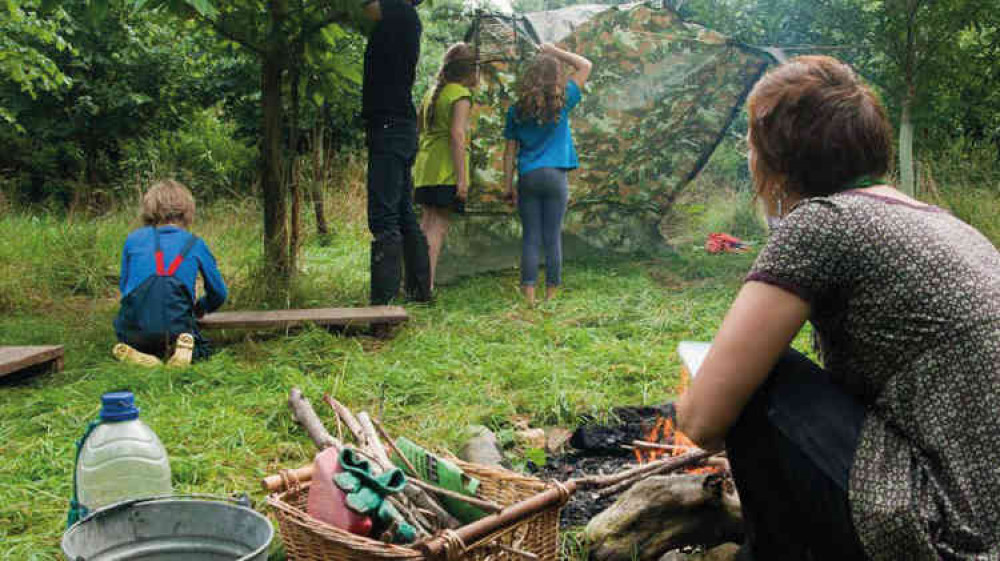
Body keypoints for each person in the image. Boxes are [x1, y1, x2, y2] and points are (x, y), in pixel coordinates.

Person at [674, 56, 1000, 560]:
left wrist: (694, 395)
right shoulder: (946, 223)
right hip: (981, 518)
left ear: (776, 160)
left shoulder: (823, 223)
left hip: (949, 536)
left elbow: (703, 422)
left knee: (766, 376)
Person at [503, 43, 591, 305]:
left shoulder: (515, 110)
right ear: (556, 76)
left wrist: (507, 186)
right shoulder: (562, 102)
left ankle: (529, 297)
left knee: (531, 236)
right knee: (552, 237)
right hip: (556, 176)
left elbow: (509, 153)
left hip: (529, 176)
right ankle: (551, 296)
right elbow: (585, 65)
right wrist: (555, 51)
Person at [361, 0, 432, 304]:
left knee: (384, 218)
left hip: (390, 126)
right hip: (397, 125)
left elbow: (368, 8)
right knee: (402, 213)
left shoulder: (400, 12)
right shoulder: (406, 18)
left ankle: (383, 307)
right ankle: (419, 292)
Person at [113, 180, 227, 367]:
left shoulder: (133, 240)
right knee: (199, 345)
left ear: (149, 208)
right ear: (188, 210)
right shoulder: (195, 244)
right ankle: (183, 352)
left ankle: (138, 354)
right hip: (176, 328)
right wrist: (200, 307)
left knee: (130, 333)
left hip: (134, 330)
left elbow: (125, 289)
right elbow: (219, 294)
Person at [412, 43, 479, 290]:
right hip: (444, 169)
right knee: (437, 229)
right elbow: (456, 135)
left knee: (426, 225)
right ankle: (424, 287)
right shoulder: (459, 95)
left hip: (425, 167)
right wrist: (462, 179)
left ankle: (415, 281)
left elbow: (420, 128)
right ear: (470, 71)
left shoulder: (432, 93)